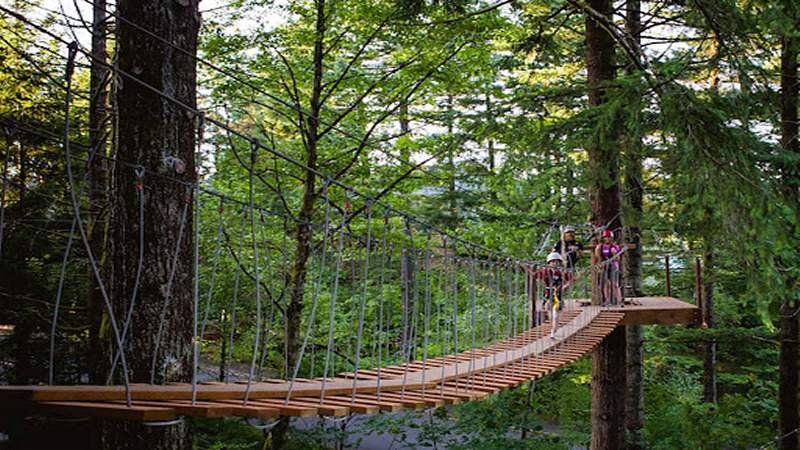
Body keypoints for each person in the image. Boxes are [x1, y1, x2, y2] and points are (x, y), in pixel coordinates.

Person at [530, 252, 572, 337]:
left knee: (555, 314)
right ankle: (553, 329)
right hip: (548, 294)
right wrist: (525, 267)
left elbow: (571, 280)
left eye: (557, 262)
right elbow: (534, 275)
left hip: (558, 295)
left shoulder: (562, 272)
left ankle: (554, 330)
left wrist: (565, 286)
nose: (555, 264)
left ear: (559, 263)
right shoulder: (545, 271)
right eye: (553, 262)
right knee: (550, 312)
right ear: (549, 263)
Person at [595, 229, 623, 306]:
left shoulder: (615, 247)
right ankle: (607, 300)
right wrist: (600, 266)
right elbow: (598, 258)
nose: (607, 239)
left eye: (609, 237)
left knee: (614, 284)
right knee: (606, 284)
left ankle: (619, 300)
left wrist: (614, 254)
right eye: (606, 237)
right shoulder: (600, 247)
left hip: (613, 266)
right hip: (604, 266)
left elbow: (618, 259)